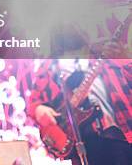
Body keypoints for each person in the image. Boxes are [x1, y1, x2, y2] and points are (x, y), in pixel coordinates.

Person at [28, 34, 132, 164]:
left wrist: (125, 58)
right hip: (86, 142)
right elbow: (34, 102)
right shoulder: (50, 65)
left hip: (124, 131)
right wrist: (39, 109)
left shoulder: (104, 51)